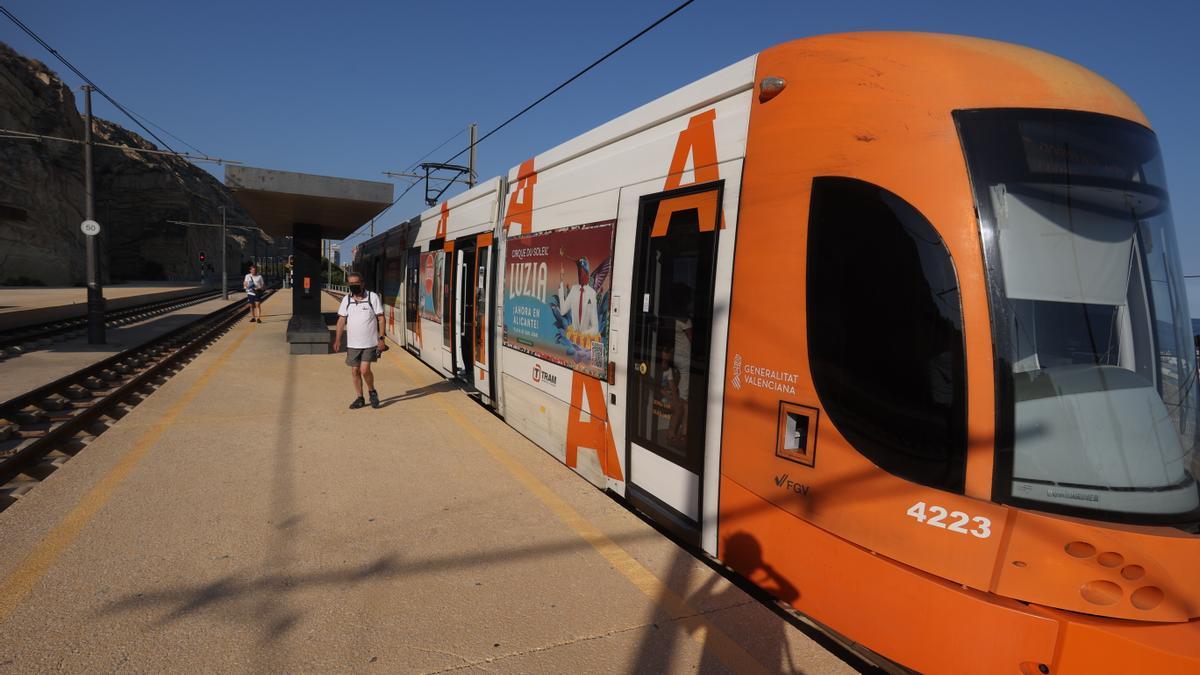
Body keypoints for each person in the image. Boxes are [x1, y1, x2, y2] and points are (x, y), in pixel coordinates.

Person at [333, 272, 386, 409]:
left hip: (369, 343)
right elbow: (341, 320)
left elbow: (381, 318)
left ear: (362, 283)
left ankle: (372, 391)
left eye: (356, 283)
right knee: (354, 371)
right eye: (350, 284)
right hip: (353, 344)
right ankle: (359, 398)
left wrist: (381, 338)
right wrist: (337, 339)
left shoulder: (372, 297)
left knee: (364, 370)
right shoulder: (347, 300)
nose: (353, 286)